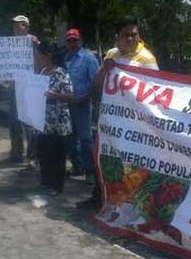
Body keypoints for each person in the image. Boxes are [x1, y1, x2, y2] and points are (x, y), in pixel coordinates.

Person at [79, 18, 159, 209]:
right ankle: (99, 197)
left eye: (134, 35)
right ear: (117, 37)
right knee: (105, 158)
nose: (131, 39)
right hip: (110, 120)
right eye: (126, 35)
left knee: (132, 166)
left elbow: (156, 94)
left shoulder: (147, 59)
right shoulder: (112, 55)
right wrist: (104, 70)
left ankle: (132, 205)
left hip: (135, 124)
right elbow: (97, 86)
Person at [35, 39, 74, 196]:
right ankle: (46, 181)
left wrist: (53, 94)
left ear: (48, 55)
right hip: (43, 120)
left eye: (40, 55)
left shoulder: (60, 72)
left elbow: (70, 96)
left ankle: (57, 186)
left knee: (57, 154)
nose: (38, 58)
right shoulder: (42, 72)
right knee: (44, 151)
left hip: (58, 120)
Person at [64, 28, 99, 178]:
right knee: (70, 138)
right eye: (69, 40)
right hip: (66, 105)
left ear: (80, 41)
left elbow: (96, 83)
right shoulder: (64, 58)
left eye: (75, 40)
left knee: (86, 139)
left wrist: (84, 98)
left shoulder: (89, 58)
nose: (72, 43)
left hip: (82, 105)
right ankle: (77, 166)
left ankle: (91, 173)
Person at [8, 15, 40, 164]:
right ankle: (16, 154)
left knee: (29, 123)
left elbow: (41, 61)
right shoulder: (9, 43)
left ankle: (32, 157)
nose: (16, 28)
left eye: (19, 25)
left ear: (26, 26)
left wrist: (35, 45)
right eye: (14, 25)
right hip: (15, 86)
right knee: (14, 122)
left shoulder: (33, 42)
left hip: (30, 87)